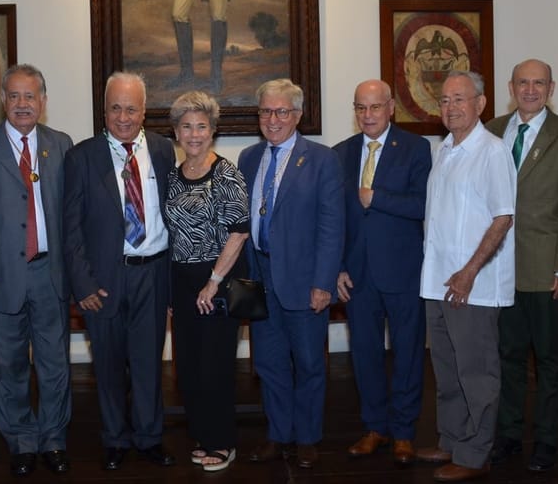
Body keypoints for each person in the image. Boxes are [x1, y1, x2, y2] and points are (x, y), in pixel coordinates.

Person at [0, 64, 74, 477]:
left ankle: (54, 438)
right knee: (8, 365)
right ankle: (22, 440)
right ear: (4, 100)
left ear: (43, 101)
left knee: (55, 363)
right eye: (15, 96)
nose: (23, 104)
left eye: (31, 96)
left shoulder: (61, 145)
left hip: (51, 274)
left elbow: (72, 218)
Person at [63, 72, 177, 470]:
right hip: (104, 280)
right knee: (108, 365)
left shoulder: (164, 151)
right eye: (115, 107)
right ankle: (114, 438)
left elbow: (175, 217)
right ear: (104, 109)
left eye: (131, 108)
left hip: (153, 273)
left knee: (148, 362)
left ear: (144, 111)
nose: (123, 117)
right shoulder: (81, 156)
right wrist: (83, 285)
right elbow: (71, 229)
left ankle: (149, 437)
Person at [485, 60, 558, 472]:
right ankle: (508, 435)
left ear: (551, 88)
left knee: (548, 360)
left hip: (547, 271)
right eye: (523, 83)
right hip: (497, 269)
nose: (531, 90)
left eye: (539, 83)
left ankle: (547, 441)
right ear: (511, 87)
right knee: (506, 357)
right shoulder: (492, 131)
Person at [238, 79, 344, 469]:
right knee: (268, 363)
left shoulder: (321, 159)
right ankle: (278, 434)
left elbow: (332, 227)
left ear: (297, 115)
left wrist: (324, 283)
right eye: (266, 111)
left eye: (282, 111)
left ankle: (308, 437)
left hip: (304, 278)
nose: (273, 119)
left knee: (309, 363)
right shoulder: (249, 157)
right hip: (260, 276)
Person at [417, 70, 515, 483]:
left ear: (481, 103)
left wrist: (469, 272)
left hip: (471, 286)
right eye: (444, 100)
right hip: (437, 281)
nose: (451, 107)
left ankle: (475, 454)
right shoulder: (444, 150)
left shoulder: (492, 151)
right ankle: (452, 439)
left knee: (477, 372)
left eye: (460, 99)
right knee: (447, 366)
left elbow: (503, 217)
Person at [332, 79, 431, 464]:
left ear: (391, 107)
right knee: (365, 354)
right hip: (357, 275)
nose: (367, 115)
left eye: (375, 107)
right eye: (360, 107)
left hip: (403, 270)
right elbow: (334, 218)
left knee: (407, 354)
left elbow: (424, 204)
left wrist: (378, 198)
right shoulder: (341, 153)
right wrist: (337, 267)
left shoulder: (416, 148)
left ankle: (404, 432)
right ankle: (375, 428)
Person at [165, 90, 249, 472]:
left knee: (215, 366)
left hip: (216, 280)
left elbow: (239, 233)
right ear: (176, 132)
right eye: (186, 126)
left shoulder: (227, 173)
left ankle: (223, 442)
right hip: (181, 279)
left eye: (201, 126)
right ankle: (203, 435)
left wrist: (213, 282)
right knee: (189, 365)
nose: (194, 134)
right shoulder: (173, 175)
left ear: (213, 131)